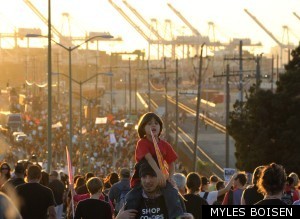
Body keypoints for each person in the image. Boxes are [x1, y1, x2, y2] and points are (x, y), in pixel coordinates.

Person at [125, 112, 184, 218]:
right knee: (132, 196)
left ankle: (177, 216)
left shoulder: (165, 145)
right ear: (143, 128)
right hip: (143, 176)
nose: (153, 125)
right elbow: (149, 158)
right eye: (149, 123)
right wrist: (158, 173)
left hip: (161, 176)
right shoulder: (142, 142)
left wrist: (170, 177)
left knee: (172, 194)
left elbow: (171, 163)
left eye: (156, 123)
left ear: (160, 127)